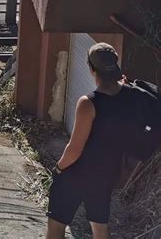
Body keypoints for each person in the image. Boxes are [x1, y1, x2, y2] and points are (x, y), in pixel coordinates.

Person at [46, 42, 134, 239]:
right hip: (106, 173)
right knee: (100, 225)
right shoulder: (129, 95)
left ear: (92, 69)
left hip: (78, 172)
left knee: (56, 224)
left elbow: (75, 149)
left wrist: (59, 169)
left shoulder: (89, 103)